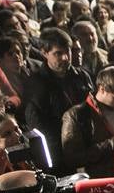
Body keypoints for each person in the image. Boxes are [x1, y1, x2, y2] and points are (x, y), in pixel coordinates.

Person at [60, 66, 114, 181]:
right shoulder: (77, 115)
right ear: (102, 89)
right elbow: (73, 158)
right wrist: (113, 142)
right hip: (99, 184)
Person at [24, 29, 92, 166]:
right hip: (58, 154)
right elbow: (37, 125)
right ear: (44, 53)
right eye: (58, 53)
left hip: (88, 146)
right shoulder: (35, 84)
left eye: (68, 51)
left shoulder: (82, 76)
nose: (65, 57)